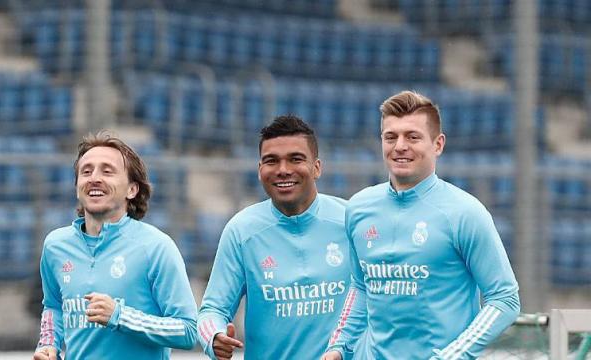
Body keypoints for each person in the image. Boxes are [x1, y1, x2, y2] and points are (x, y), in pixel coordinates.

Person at [323, 91, 520, 360]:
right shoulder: (358, 207)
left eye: (413, 137)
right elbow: (360, 286)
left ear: (438, 145)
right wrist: (339, 345)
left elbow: (505, 299)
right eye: (390, 137)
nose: (400, 146)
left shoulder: (465, 212)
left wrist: (452, 356)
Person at [197, 115, 356, 359]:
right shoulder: (241, 231)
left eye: (296, 159)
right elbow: (212, 309)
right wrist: (214, 336)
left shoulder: (350, 221)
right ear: (260, 170)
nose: (283, 170)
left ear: (317, 167)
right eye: (272, 161)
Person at [32, 131, 197, 360]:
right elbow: (53, 306)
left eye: (107, 171)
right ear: (77, 186)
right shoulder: (55, 246)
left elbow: (188, 330)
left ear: (132, 189)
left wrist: (120, 317)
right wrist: (48, 344)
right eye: (86, 171)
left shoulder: (156, 247)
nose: (94, 178)